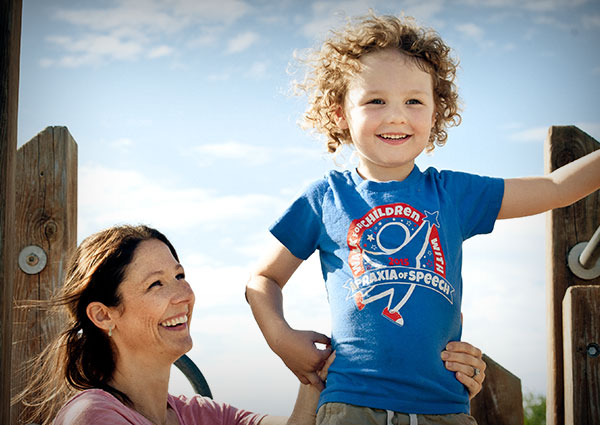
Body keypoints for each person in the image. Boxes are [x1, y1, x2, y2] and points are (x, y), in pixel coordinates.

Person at [245, 13, 600, 425]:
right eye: (375, 100)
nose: (396, 115)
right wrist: (281, 338)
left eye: (414, 101)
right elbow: (262, 280)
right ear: (340, 112)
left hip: (444, 407)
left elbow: (556, 189)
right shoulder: (325, 198)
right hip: (351, 402)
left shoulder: (454, 194)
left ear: (436, 114)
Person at [14, 224, 329, 425]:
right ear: (103, 316)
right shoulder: (93, 416)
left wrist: (313, 370)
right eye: (156, 285)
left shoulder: (196, 414)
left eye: (180, 276)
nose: (183, 295)